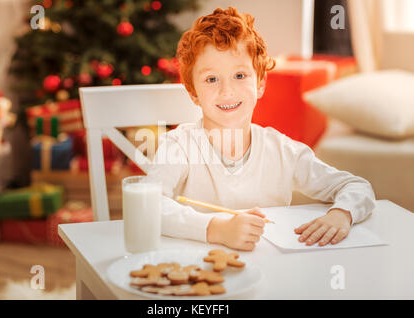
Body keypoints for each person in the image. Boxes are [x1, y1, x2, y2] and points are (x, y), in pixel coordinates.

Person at [147, 7, 375, 251]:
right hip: (198, 273)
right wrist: (216, 229)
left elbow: (357, 186)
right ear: (193, 93)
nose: (227, 91)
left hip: (271, 272)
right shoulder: (180, 145)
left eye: (240, 75)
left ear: (260, 84)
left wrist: (341, 213)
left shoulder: (281, 150)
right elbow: (149, 204)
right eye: (212, 79)